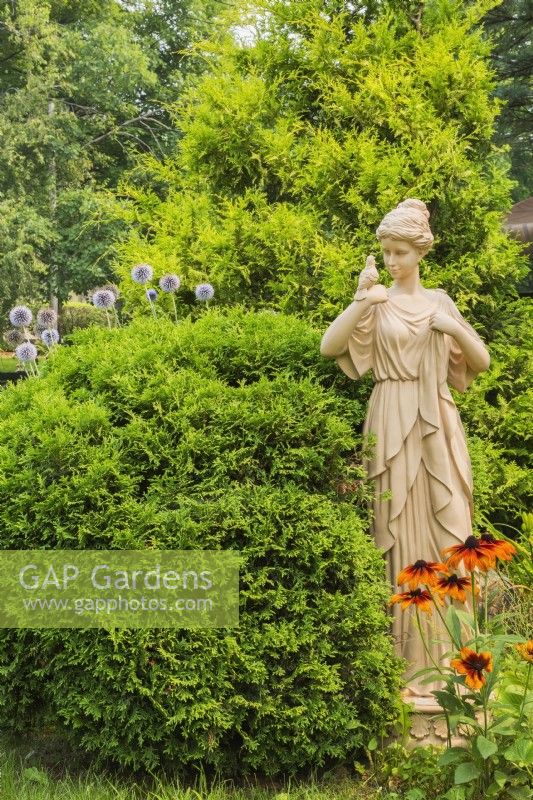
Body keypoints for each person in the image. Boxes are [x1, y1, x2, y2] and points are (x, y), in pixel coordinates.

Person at [320, 199, 490, 698]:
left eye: (399, 252)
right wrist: (359, 301)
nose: (392, 261)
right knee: (396, 535)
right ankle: (403, 666)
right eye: (386, 252)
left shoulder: (440, 302)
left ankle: (458, 663)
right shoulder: (376, 301)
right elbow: (330, 347)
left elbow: (480, 361)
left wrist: (454, 327)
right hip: (392, 415)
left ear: (419, 253)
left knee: (449, 526)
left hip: (438, 419)